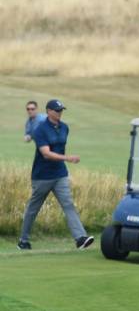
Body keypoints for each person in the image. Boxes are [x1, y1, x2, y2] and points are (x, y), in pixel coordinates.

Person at [18, 99, 94, 250]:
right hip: (42, 176)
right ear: (48, 111)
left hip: (60, 174)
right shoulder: (40, 129)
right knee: (33, 209)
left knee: (68, 204)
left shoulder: (65, 128)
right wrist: (68, 158)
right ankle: (23, 240)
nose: (60, 113)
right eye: (57, 110)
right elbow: (46, 153)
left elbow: (59, 148)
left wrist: (64, 160)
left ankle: (80, 238)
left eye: (61, 110)